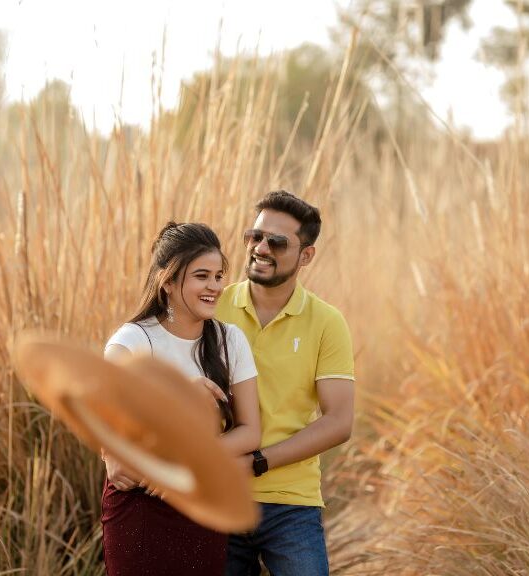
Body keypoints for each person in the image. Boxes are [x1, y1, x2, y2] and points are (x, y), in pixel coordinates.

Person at [101, 222, 261, 576]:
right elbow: (102, 413)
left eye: (219, 276)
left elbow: (250, 432)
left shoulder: (230, 341)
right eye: (201, 276)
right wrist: (111, 451)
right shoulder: (133, 340)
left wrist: (187, 461)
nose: (215, 287)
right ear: (168, 281)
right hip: (140, 505)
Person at [216, 190, 355, 576]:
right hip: (219, 496)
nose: (261, 248)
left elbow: (339, 421)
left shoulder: (327, 322)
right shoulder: (214, 307)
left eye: (276, 242)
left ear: (306, 255)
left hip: (291, 502)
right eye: (254, 236)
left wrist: (258, 463)